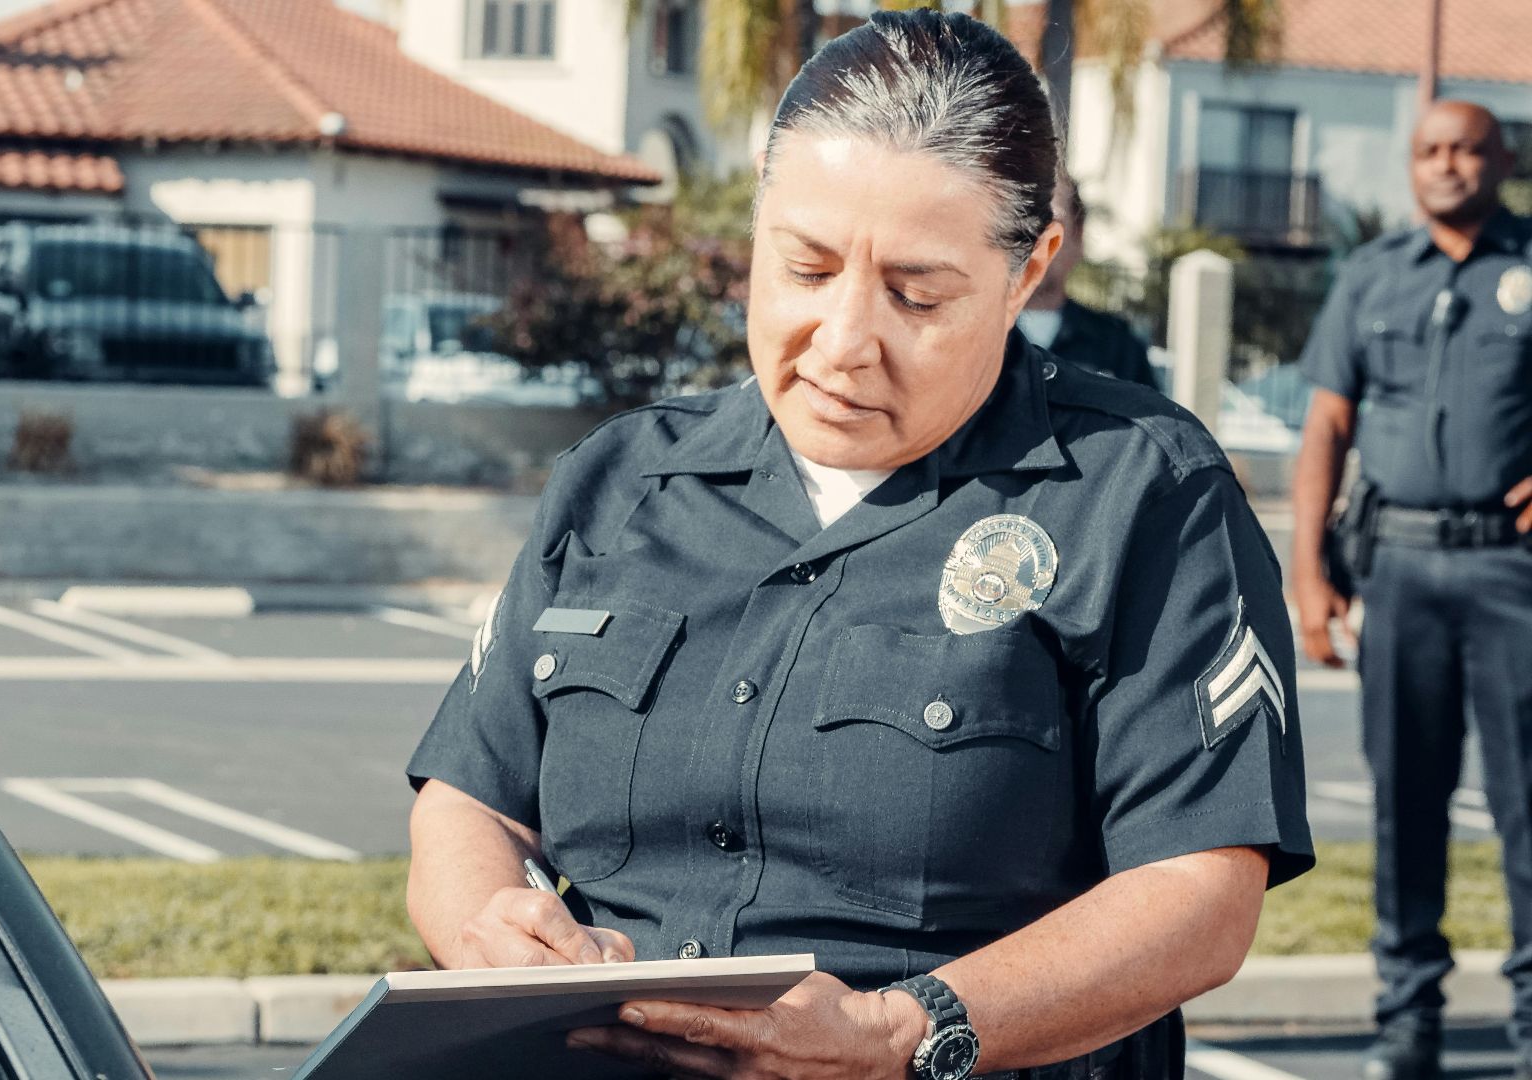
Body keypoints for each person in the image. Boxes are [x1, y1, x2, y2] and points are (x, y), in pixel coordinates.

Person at [407, 12, 1313, 1080]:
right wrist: (491, 929)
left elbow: (1201, 891)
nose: (844, 342)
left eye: (915, 295)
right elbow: (470, 796)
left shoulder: (1142, 494)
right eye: (806, 266)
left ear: (1030, 272)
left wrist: (904, 1031)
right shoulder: (618, 482)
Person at [1294, 99, 1532, 1080]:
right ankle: (1406, 1017)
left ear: (1502, 158)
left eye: (1467, 149)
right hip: (1398, 573)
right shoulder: (1372, 273)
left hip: (1512, 575)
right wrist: (1306, 572)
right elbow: (1325, 429)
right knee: (1406, 803)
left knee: (1526, 806)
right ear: (1411, 163)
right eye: (1430, 150)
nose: (1448, 165)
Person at [1016, 172, 1160, 389]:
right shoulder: (967, 338)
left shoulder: (1119, 348)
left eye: (1050, 223)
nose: (1036, 239)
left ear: (1079, 237)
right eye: (1024, 220)